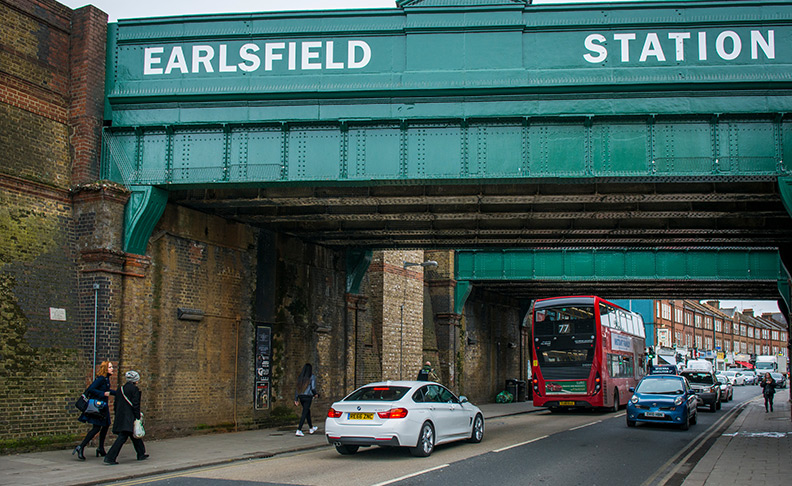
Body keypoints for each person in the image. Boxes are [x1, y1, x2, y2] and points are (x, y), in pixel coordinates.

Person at [73, 361, 116, 460]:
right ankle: (81, 446)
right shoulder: (101, 379)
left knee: (105, 425)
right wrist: (102, 394)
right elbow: (91, 389)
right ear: (105, 369)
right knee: (96, 428)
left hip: (103, 407)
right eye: (110, 367)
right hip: (98, 407)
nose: (112, 369)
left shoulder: (106, 379)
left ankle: (100, 448)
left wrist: (119, 392)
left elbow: (108, 391)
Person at [103, 371, 147, 465]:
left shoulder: (121, 389)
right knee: (122, 437)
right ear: (136, 380)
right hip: (130, 416)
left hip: (121, 415)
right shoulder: (134, 390)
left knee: (134, 435)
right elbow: (136, 404)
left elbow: (116, 404)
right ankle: (110, 457)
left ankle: (141, 453)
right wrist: (137, 416)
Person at [294, 363, 318, 437]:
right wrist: (315, 394)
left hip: (301, 396)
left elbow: (297, 388)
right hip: (308, 396)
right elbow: (313, 387)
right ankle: (299, 429)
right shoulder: (312, 377)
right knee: (304, 413)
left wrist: (296, 399)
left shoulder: (300, 377)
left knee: (307, 411)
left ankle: (311, 428)